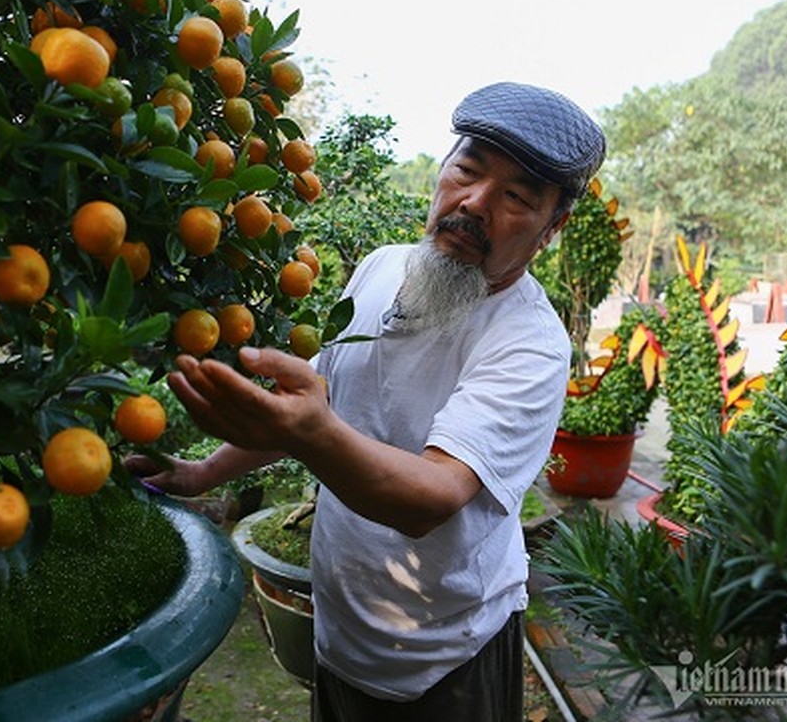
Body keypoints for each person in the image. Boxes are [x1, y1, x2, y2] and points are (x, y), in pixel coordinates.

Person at [129, 82, 606, 720]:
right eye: (467, 169)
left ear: (553, 227)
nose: (475, 203)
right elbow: (326, 396)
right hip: (341, 635)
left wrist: (311, 434)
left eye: (517, 196)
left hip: (443, 661)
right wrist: (203, 472)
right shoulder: (383, 267)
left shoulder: (529, 345)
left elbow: (430, 496)